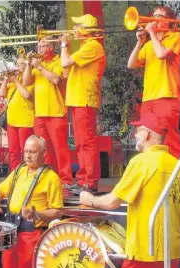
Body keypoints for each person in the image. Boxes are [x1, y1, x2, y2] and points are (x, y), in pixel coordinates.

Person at [79, 116, 180, 268]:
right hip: (171, 252)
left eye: (138, 130)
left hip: (143, 252)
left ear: (147, 134)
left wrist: (89, 200)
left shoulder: (142, 162)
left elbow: (113, 202)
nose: (135, 134)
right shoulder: (177, 166)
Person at [0, 135, 63, 268]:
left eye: (33, 152)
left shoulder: (51, 177)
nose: (28, 155)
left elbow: (57, 212)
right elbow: (0, 189)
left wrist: (36, 213)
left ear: (44, 153)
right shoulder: (19, 171)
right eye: (26, 151)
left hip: (31, 235)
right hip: (10, 234)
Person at [127, 5, 180, 159]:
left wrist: (152, 33)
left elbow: (161, 54)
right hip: (148, 98)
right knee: (148, 140)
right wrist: (140, 42)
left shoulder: (175, 37)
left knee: (170, 140)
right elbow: (131, 64)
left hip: (167, 95)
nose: (155, 19)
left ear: (168, 21)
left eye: (160, 17)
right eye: (154, 15)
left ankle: (175, 176)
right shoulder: (148, 44)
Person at [60, 14, 106, 194]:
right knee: (80, 143)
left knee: (87, 142)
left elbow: (64, 62)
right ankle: (82, 179)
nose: (74, 30)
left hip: (85, 100)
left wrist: (64, 45)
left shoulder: (93, 46)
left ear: (85, 30)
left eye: (78, 26)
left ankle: (90, 182)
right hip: (78, 100)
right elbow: (65, 72)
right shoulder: (85, 48)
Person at [23, 36, 73, 187]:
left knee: (60, 148)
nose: (39, 49)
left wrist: (39, 67)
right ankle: (47, 176)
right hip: (40, 114)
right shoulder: (39, 64)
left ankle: (65, 180)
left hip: (56, 112)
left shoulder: (58, 61)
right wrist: (27, 65)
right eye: (38, 47)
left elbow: (57, 80)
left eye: (43, 46)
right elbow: (26, 82)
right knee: (43, 149)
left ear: (51, 48)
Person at [0, 57, 35, 171]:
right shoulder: (14, 79)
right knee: (13, 150)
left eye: (21, 63)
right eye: (17, 63)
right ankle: (14, 173)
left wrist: (16, 81)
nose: (18, 66)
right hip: (11, 120)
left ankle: (28, 172)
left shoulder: (30, 79)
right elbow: (2, 94)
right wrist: (5, 79)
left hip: (25, 120)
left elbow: (27, 95)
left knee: (26, 150)